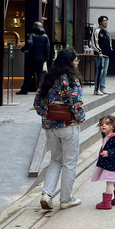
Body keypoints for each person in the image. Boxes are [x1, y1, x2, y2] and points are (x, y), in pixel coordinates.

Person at [34, 49, 86, 210]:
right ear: (70, 62)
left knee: (55, 160)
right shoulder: (70, 79)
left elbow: (37, 103)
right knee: (69, 162)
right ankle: (66, 199)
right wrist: (79, 118)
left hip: (50, 126)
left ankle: (47, 194)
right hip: (68, 126)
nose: (77, 63)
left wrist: (47, 115)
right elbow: (76, 102)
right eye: (76, 60)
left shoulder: (46, 78)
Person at [92, 115, 115, 210]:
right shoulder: (109, 137)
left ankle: (106, 203)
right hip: (114, 164)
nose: (103, 126)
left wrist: (109, 152)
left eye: (107, 124)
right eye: (102, 124)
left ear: (113, 126)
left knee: (109, 183)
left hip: (113, 165)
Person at [19, 22, 50, 95]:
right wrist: (46, 58)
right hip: (41, 58)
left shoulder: (31, 34)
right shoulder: (45, 36)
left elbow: (30, 44)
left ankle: (25, 89)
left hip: (31, 57)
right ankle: (41, 89)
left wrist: (23, 49)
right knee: (40, 74)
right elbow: (47, 48)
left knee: (28, 74)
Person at [92, 16, 112, 95]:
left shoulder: (107, 31)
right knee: (99, 71)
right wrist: (99, 52)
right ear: (100, 22)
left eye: (106, 21)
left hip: (107, 54)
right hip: (100, 54)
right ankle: (96, 89)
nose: (106, 22)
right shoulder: (97, 31)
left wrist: (110, 50)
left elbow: (109, 42)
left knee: (105, 72)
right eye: (104, 21)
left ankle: (102, 87)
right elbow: (94, 43)